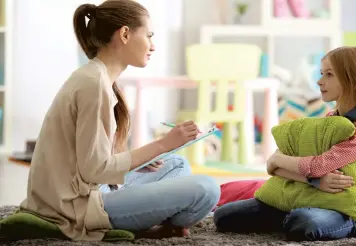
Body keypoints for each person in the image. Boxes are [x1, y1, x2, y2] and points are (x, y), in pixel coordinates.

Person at [19, 0, 220, 241]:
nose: (153, 46)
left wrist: (142, 160)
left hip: (88, 191)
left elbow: (91, 164)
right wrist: (162, 144)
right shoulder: (94, 85)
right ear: (125, 34)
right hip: (75, 208)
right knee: (207, 188)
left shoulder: (96, 76)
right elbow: (94, 169)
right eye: (148, 36)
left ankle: (148, 218)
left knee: (177, 165)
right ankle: (150, 224)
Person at [213, 46, 356, 242]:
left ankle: (289, 217)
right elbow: (279, 168)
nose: (319, 81)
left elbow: (318, 165)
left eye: (329, 75)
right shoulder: (332, 118)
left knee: (302, 222)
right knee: (223, 216)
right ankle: (288, 216)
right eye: (321, 74)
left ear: (353, 79)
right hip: (317, 196)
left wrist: (278, 160)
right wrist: (312, 180)